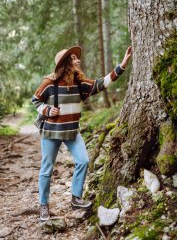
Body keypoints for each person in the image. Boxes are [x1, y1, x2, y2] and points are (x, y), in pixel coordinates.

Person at [32, 45, 132, 221]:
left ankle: (76, 198)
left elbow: (102, 83)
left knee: (83, 160)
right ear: (65, 64)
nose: (78, 60)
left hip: (72, 132)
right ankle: (43, 206)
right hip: (51, 132)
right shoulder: (50, 83)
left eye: (77, 58)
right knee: (46, 169)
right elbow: (36, 100)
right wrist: (47, 110)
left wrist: (122, 65)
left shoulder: (79, 83)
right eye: (73, 58)